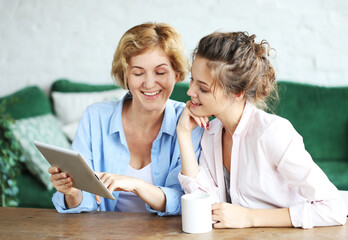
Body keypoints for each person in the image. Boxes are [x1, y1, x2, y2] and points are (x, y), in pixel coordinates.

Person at [177, 31, 347, 228]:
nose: (189, 92)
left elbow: (335, 209)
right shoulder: (211, 132)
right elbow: (205, 205)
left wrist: (249, 218)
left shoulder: (273, 133)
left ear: (237, 92)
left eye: (203, 88)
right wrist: (183, 134)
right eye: (192, 80)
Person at [48, 22, 203, 215]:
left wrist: (136, 185)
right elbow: (85, 201)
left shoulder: (189, 123)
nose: (149, 83)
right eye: (138, 73)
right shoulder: (95, 117)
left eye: (160, 72)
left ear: (177, 74)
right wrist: (72, 192)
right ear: (126, 76)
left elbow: (188, 201)